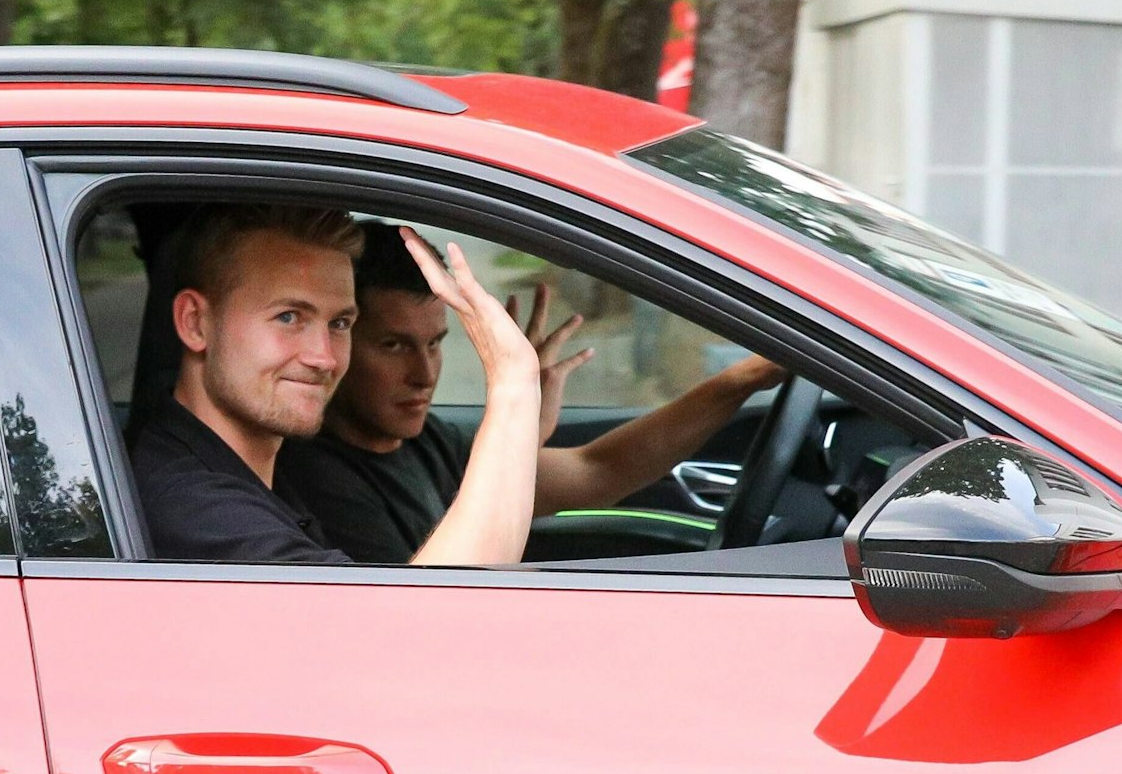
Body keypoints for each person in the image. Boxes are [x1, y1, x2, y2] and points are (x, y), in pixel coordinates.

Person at [275, 222, 787, 563]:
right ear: (337, 341)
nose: (424, 373)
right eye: (393, 346)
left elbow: (597, 471)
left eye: (435, 343)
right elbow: (426, 615)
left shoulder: (420, 440)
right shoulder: (318, 480)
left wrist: (740, 381)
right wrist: (512, 396)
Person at [126, 203, 545, 565]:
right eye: (289, 317)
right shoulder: (196, 509)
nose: (324, 357)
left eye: (340, 323)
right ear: (195, 323)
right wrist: (513, 386)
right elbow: (421, 626)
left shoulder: (237, 470)